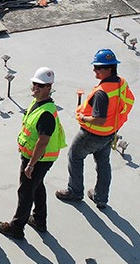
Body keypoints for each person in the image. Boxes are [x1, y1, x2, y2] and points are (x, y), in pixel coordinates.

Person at [55, 48, 135, 210]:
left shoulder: (101, 93)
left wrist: (83, 118)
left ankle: (75, 191)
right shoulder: (121, 83)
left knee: (75, 157)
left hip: (92, 134)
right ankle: (101, 197)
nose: (94, 70)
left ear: (109, 69)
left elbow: (99, 119)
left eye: (98, 67)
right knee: (103, 163)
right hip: (110, 133)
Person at [0, 68, 67, 240]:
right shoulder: (38, 104)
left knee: (25, 191)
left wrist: (31, 165)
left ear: (49, 87)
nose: (35, 88)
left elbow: (43, 141)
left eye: (41, 85)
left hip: (38, 159)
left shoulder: (46, 114)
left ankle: (16, 227)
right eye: (35, 84)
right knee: (37, 186)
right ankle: (39, 220)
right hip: (36, 157)